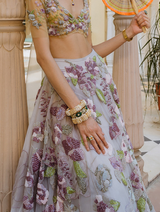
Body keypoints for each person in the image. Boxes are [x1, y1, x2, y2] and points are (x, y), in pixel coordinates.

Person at [11, 0, 154, 211]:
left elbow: (90, 52)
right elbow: (43, 57)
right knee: (86, 172)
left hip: (98, 92)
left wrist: (128, 33)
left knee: (112, 168)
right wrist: (81, 114)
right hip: (65, 95)